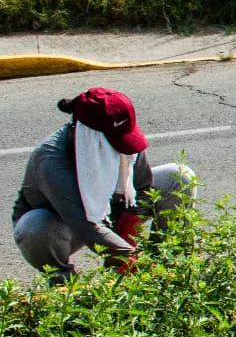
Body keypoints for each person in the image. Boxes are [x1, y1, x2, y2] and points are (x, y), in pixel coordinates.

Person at [13, 87, 197, 276]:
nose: (120, 147)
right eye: (111, 140)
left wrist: (127, 240)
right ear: (84, 134)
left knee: (179, 177)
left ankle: (166, 264)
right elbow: (84, 224)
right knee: (34, 227)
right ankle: (63, 282)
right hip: (65, 225)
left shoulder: (124, 138)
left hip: (112, 212)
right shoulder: (50, 159)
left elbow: (143, 189)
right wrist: (131, 257)